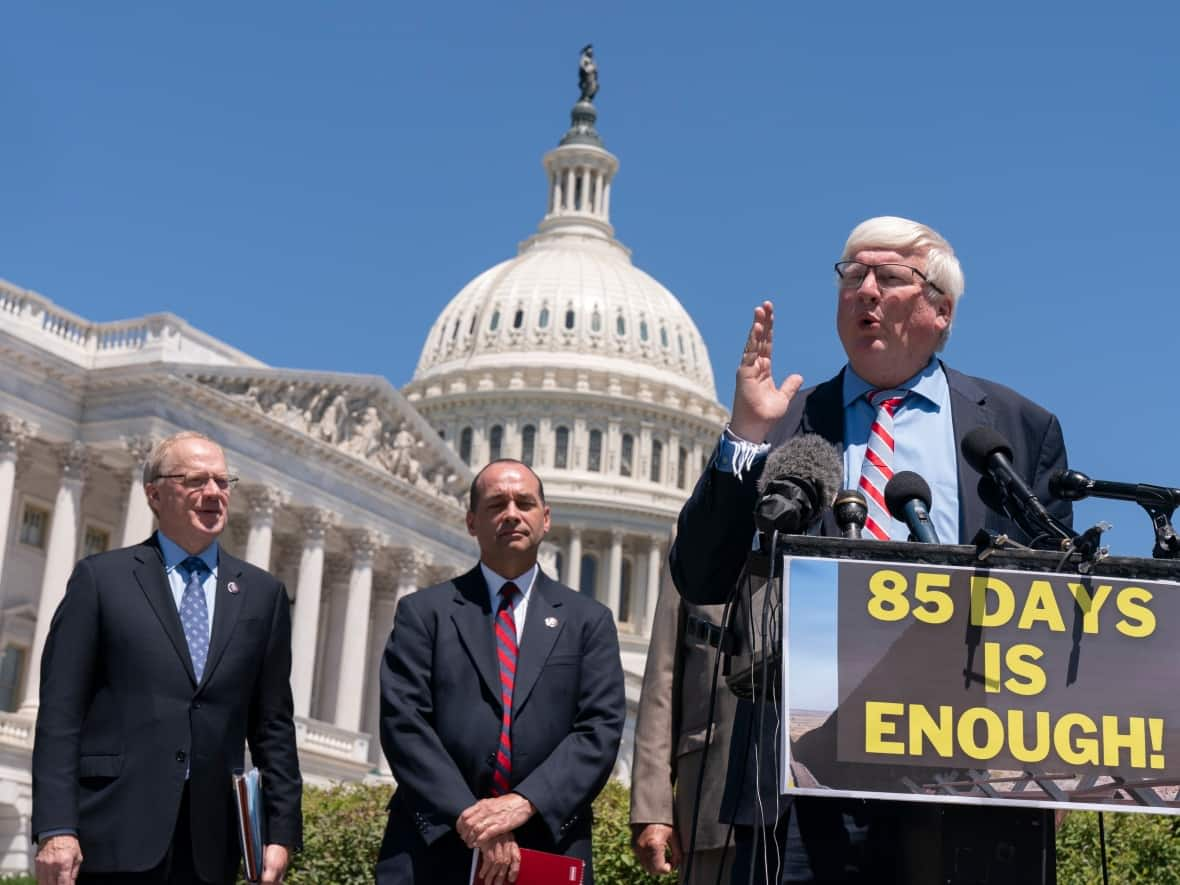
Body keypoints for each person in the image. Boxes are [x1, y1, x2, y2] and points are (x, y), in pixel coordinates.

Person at [670, 216, 1070, 884]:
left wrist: (1047, 761)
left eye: (888, 276)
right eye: (851, 275)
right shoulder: (787, 421)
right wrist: (743, 434)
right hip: (804, 776)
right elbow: (701, 573)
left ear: (940, 309)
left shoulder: (1018, 431)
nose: (865, 291)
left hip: (966, 764)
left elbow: (1053, 608)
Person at [32, 431, 302, 884]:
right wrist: (56, 827)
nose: (214, 492)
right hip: (110, 831)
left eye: (222, 481)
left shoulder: (263, 595)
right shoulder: (102, 580)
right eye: (196, 480)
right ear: (155, 494)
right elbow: (61, 713)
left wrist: (280, 831)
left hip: (211, 843)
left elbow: (274, 724)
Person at [376, 459, 625, 885]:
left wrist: (523, 803)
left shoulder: (589, 621)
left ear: (545, 520)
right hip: (433, 847)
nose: (512, 513)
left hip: (545, 843)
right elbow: (405, 724)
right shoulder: (424, 613)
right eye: (496, 505)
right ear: (472, 522)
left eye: (524, 503)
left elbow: (599, 730)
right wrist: (474, 820)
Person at [630, 566, 736, 885]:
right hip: (714, 794)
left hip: (823, 795)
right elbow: (664, 676)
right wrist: (653, 809)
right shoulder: (697, 525)